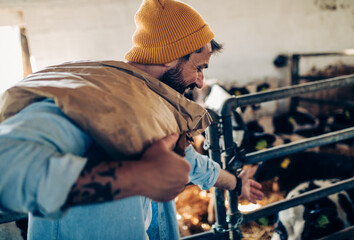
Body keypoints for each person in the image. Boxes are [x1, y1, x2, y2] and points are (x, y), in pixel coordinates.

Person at [0, 0, 264, 239]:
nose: (200, 81)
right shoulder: (92, 97)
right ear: (171, 56)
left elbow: (189, 162)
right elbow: (7, 167)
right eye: (198, 68)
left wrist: (236, 183)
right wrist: (139, 176)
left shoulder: (152, 105)